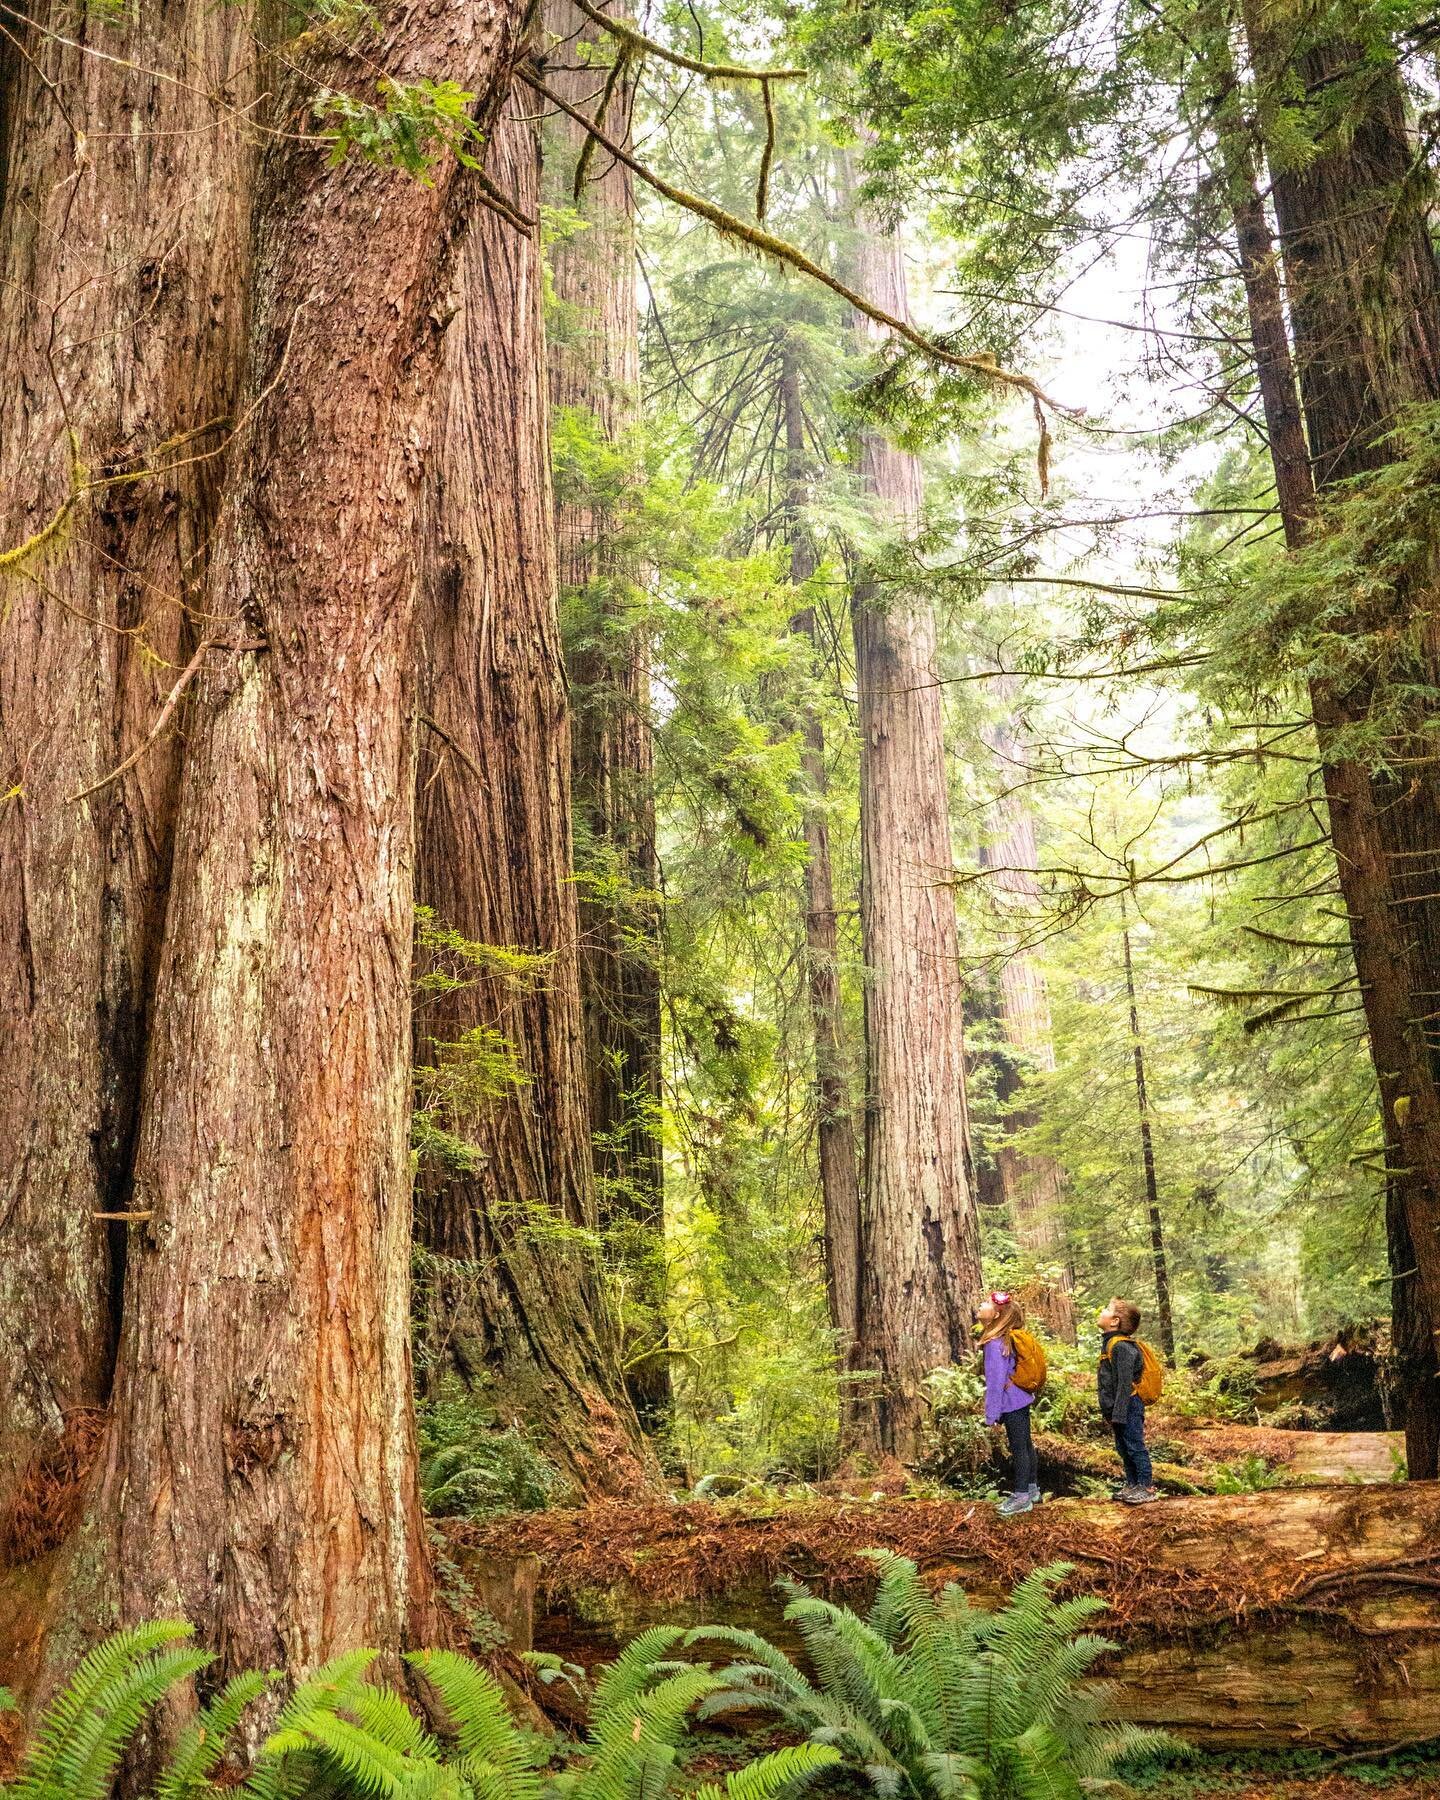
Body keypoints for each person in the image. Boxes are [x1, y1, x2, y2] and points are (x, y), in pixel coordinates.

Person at [977, 1290, 1038, 1517]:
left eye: (985, 1303)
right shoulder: (1003, 1339)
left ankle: (1021, 1495)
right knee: (1025, 1444)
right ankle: (1032, 1489)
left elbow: (995, 1382)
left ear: (996, 1315)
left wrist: (991, 1415)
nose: (980, 1306)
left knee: (1019, 1447)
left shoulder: (995, 1343)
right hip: (1020, 1398)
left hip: (1012, 1401)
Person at [1098, 1297, 1157, 1505]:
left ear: (1114, 1321)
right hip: (1119, 1407)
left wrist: (1118, 1413)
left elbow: (1124, 1384)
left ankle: (1146, 1486)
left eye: (1106, 1309)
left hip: (1129, 1405)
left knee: (1134, 1446)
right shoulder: (1111, 1343)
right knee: (1123, 1448)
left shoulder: (1121, 1347)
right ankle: (1133, 1484)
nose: (1102, 1311)